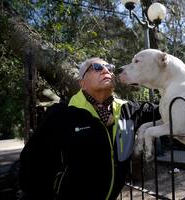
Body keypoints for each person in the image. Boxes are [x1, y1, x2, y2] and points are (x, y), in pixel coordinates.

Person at [19, 57, 160, 200]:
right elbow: (30, 166)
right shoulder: (62, 114)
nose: (106, 70)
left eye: (110, 68)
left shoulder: (129, 110)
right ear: (82, 83)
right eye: (97, 67)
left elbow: (169, 110)